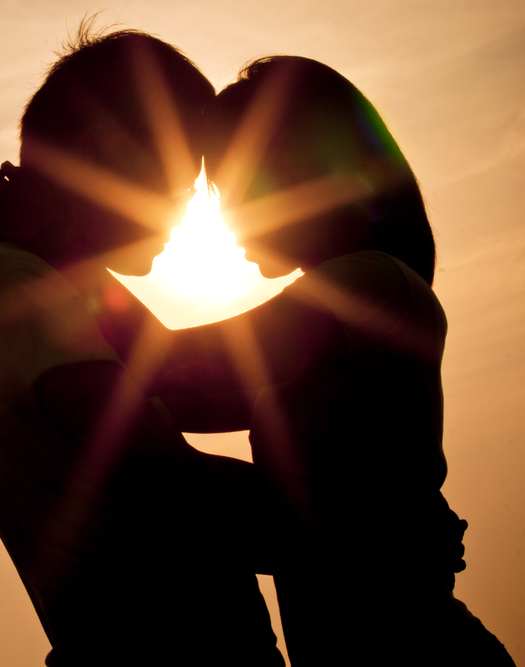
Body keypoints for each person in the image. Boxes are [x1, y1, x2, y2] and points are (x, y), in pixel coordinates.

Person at [81, 56, 516, 665]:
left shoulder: (369, 287)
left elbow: (177, 377)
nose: (224, 217)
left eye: (236, 187)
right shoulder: (363, 287)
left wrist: (68, 258)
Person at [0, 28, 285, 666]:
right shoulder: (17, 290)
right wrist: (366, 529)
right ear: (109, 150)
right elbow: (167, 481)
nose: (185, 216)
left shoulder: (69, 289)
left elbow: (200, 381)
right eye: (180, 186)